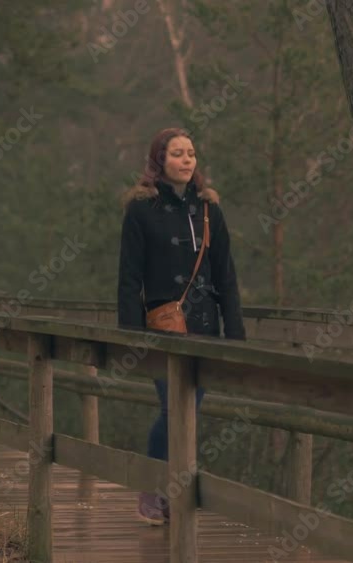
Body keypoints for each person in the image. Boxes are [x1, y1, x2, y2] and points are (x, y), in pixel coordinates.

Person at [117, 127, 246, 525]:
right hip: (163, 329)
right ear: (160, 160)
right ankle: (153, 491)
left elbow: (225, 276)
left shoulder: (209, 210)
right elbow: (129, 278)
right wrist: (131, 337)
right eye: (177, 153)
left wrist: (235, 334)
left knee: (188, 413)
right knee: (173, 410)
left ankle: (174, 495)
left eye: (191, 153)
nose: (187, 160)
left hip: (203, 328)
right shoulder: (141, 210)